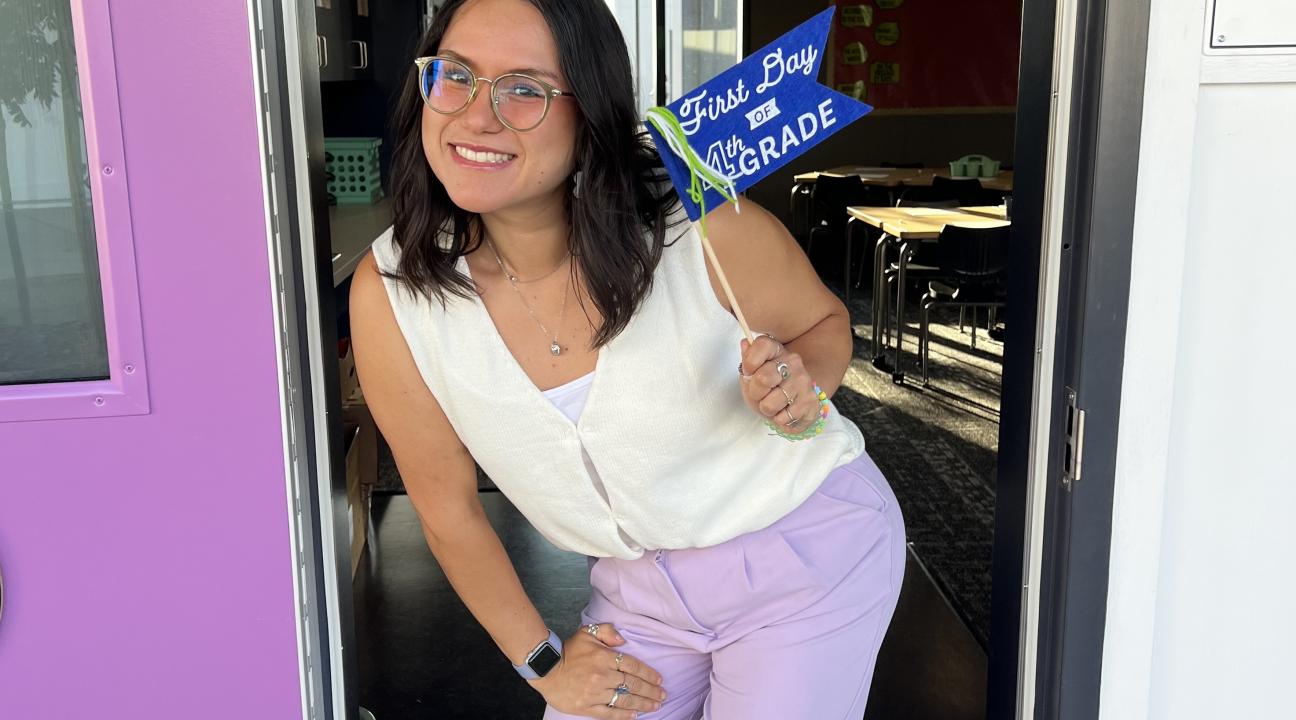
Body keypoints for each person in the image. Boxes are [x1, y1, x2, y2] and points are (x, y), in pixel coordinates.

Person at [348, 0, 906, 717]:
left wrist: (805, 389)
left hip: (804, 554)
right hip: (637, 595)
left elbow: (824, 323)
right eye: (455, 75)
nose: (476, 116)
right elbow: (446, 508)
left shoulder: (702, 235)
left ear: (590, 115)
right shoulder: (395, 292)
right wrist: (543, 663)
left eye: (525, 88)